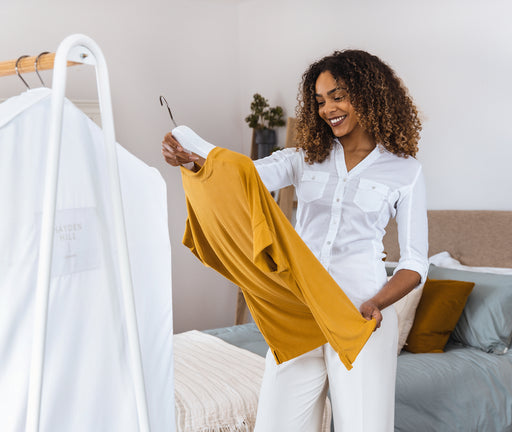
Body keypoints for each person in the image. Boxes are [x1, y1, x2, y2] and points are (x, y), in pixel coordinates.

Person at [162, 49, 428, 432]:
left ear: (369, 96)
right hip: (298, 312)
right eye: (319, 101)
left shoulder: (405, 171)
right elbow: (245, 178)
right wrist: (193, 161)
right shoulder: (305, 157)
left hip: (359, 316)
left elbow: (415, 262)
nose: (327, 109)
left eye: (338, 96)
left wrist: (376, 303)